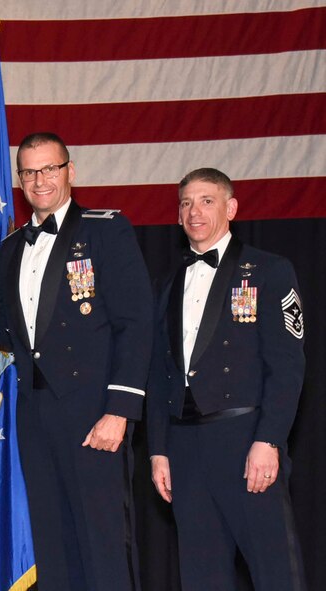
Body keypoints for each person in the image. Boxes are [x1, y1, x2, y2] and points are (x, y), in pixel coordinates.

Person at [0, 132, 152, 590]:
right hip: (36, 412)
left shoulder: (105, 230)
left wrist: (119, 410)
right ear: (19, 179)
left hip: (93, 410)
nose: (40, 180)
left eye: (49, 169)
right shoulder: (11, 246)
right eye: (29, 171)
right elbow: (5, 331)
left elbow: (136, 322)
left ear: (70, 172)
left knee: (103, 543)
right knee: (53, 541)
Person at [146, 168, 307, 590]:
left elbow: (287, 366)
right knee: (201, 575)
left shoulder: (269, 271)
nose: (193, 211)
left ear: (231, 208)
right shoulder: (168, 281)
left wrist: (269, 440)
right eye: (185, 203)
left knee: (275, 570)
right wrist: (159, 449)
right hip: (184, 446)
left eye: (206, 200)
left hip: (244, 439)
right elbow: (159, 372)